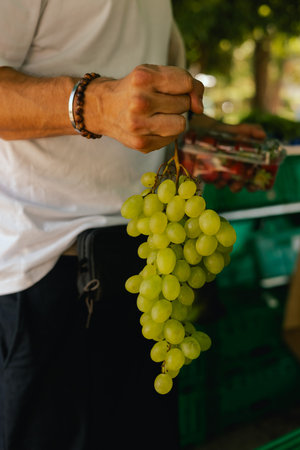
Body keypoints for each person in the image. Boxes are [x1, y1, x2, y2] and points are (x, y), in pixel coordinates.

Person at [0, 1, 265, 450]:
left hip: (145, 277)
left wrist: (204, 135)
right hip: (44, 278)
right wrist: (97, 105)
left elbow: (150, 104)